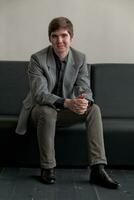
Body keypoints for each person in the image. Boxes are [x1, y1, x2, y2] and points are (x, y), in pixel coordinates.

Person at [16, 17, 120, 189]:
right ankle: (47, 167)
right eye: (55, 36)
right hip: (38, 111)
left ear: (71, 37)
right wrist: (66, 102)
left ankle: (97, 169)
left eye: (64, 35)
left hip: (64, 111)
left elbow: (84, 88)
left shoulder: (80, 58)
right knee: (47, 111)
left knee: (94, 110)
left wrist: (83, 101)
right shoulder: (37, 59)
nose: (60, 41)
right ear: (50, 38)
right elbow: (40, 94)